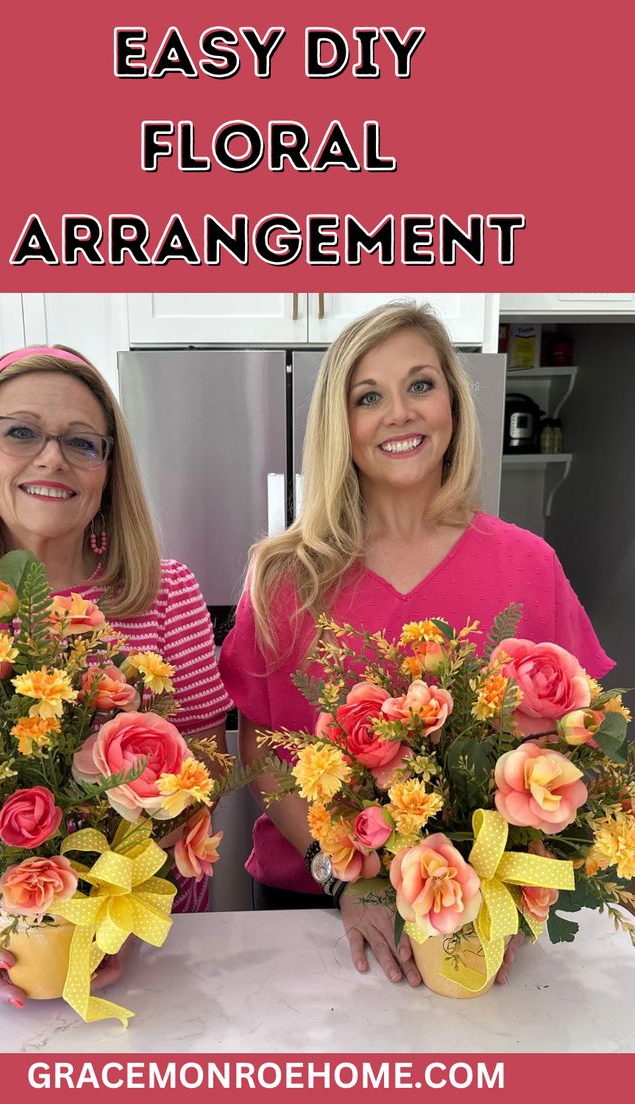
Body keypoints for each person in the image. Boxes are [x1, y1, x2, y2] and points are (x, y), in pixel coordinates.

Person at [219, 301, 614, 989]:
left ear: (453, 406)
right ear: (341, 427)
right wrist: (342, 875)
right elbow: (262, 746)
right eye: (368, 396)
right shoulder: (286, 575)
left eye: (420, 385)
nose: (399, 412)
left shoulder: (529, 564)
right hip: (312, 913)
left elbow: (574, 740)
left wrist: (507, 888)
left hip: (481, 916)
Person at [0, 345, 231, 1003]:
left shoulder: (166, 592)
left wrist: (119, 909)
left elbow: (208, 762)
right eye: (21, 431)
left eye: (83, 443)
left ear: (109, 470)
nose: (52, 457)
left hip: (152, 944)